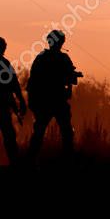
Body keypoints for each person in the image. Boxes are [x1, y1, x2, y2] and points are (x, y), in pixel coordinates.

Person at [25, 30, 80, 162]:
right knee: (66, 132)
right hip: (56, 100)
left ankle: (30, 160)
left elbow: (32, 81)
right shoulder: (62, 58)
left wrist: (32, 101)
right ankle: (68, 160)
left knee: (40, 131)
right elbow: (70, 77)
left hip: (45, 101)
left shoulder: (41, 58)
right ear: (61, 42)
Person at [0, 37, 27, 164]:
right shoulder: (5, 64)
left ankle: (14, 162)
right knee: (9, 135)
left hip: (4, 105)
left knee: (9, 135)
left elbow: (14, 85)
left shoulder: (5, 64)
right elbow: (14, 85)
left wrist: (20, 101)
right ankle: (15, 163)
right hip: (3, 106)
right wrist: (21, 101)